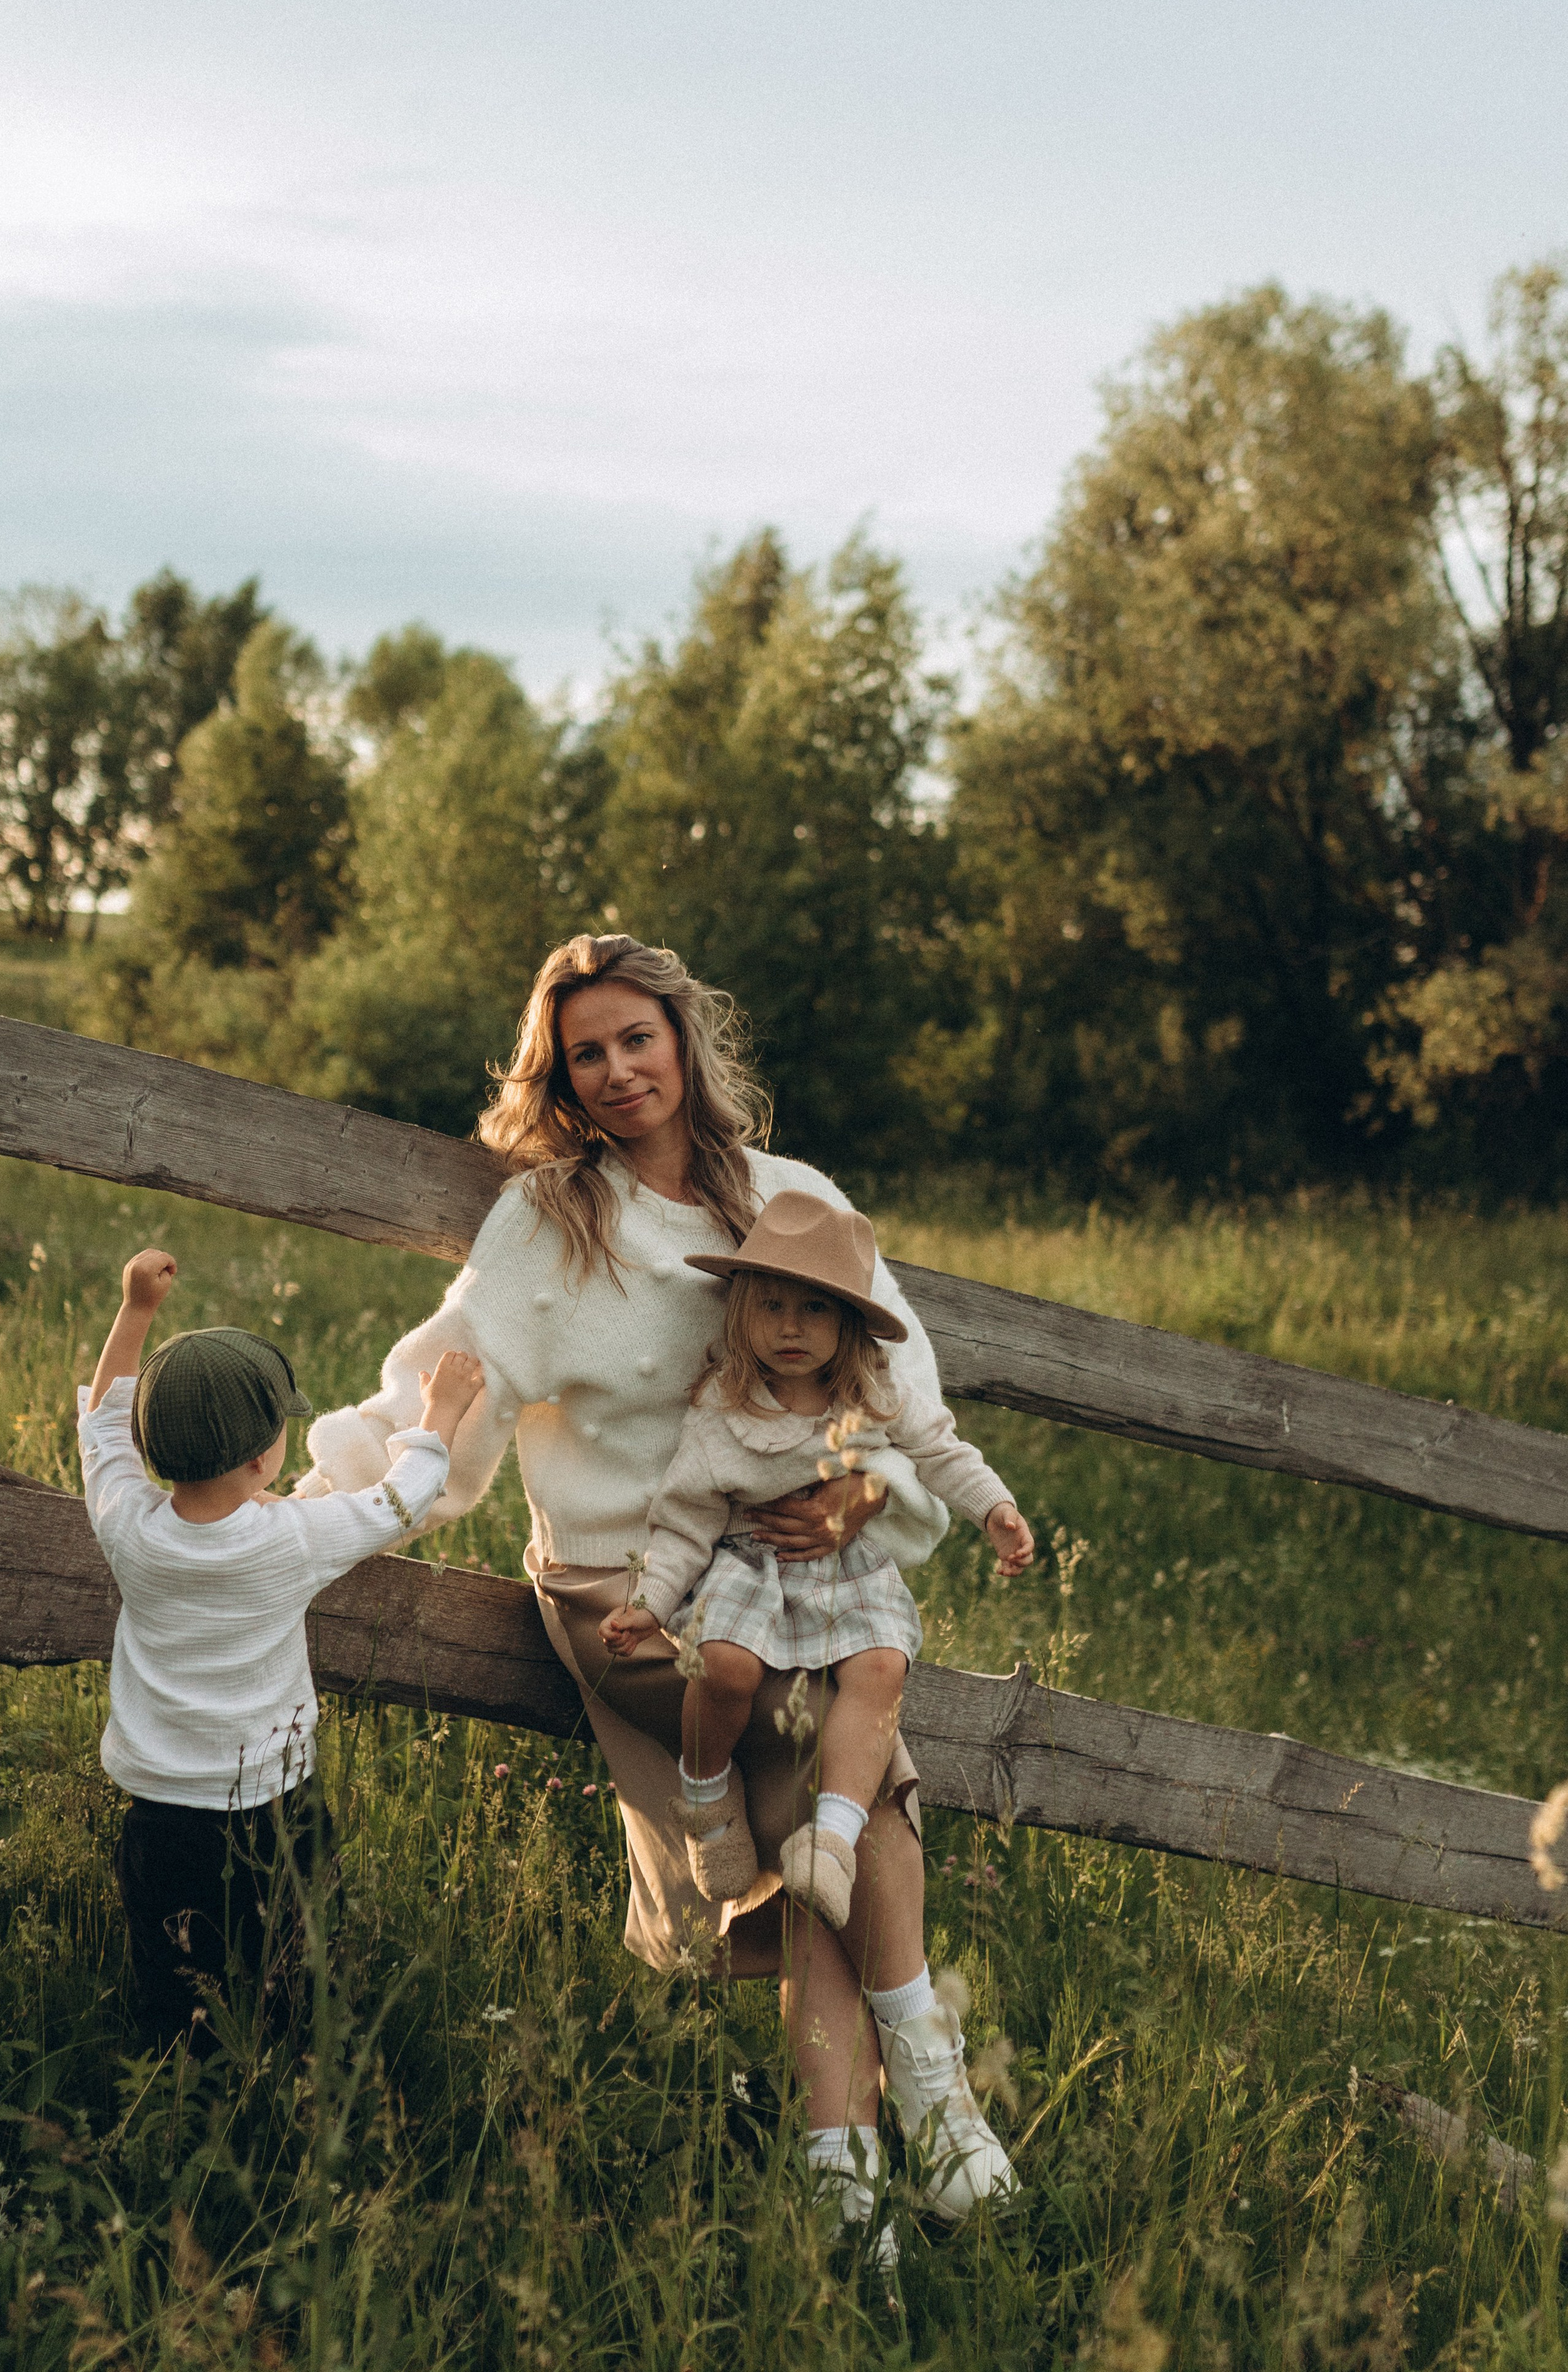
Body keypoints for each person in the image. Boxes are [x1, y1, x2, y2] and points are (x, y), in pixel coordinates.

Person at [299, 933, 1036, 2232]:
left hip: (784, 1577)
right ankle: (932, 2092)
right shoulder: (550, 1224)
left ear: (684, 1043)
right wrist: (306, 1516)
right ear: (563, 1083)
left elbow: (898, 1387)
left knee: (832, 1832)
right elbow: (443, 1381)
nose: (618, 1068)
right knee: (837, 1770)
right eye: (586, 1052)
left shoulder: (791, 1200)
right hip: (618, 1591)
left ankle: (857, 2174)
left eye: (636, 1037)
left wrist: (867, 1493)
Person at [79, 1244, 484, 2051]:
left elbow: (99, 1423)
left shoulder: (125, 1523)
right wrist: (439, 1413)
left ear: (149, 1444)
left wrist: (134, 1310)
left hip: (159, 1813)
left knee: (172, 1979)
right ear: (266, 1456)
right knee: (297, 1960)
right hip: (274, 1805)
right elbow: (401, 1500)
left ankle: (179, 2094)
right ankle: (294, 2071)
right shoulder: (293, 1537)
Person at [597, 1190, 1027, 1938]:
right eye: (771, 1306)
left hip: (846, 1568)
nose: (791, 1327)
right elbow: (685, 1520)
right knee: (724, 1666)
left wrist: (995, 1510)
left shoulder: (874, 1393)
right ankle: (704, 1797)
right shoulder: (724, 1406)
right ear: (740, 1313)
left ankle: (831, 1838)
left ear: (851, 1323)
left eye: (816, 1310)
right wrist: (650, 1599)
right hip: (749, 1563)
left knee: (881, 1668)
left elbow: (942, 1454)